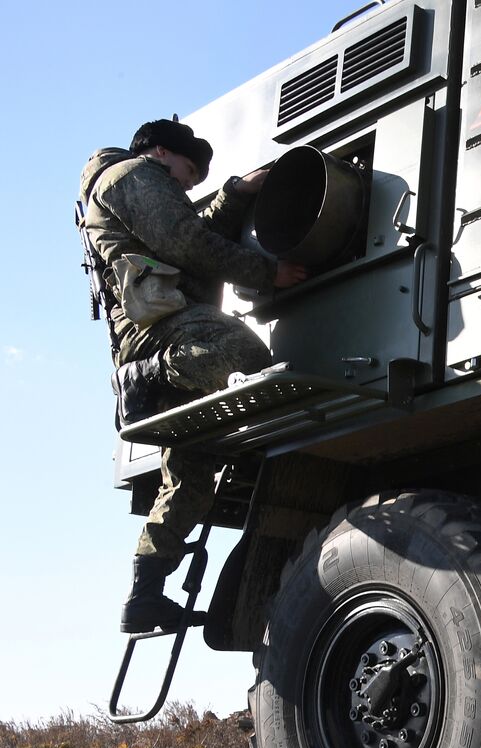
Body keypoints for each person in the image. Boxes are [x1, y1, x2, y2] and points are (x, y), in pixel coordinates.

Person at [79, 119, 308, 635]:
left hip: (170, 326)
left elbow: (190, 229)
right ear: (162, 153)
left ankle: (146, 593)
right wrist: (266, 273)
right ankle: (147, 379)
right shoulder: (130, 175)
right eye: (186, 173)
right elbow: (187, 242)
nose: (186, 185)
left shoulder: (141, 185)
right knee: (241, 351)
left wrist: (235, 192)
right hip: (158, 336)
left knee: (194, 471)